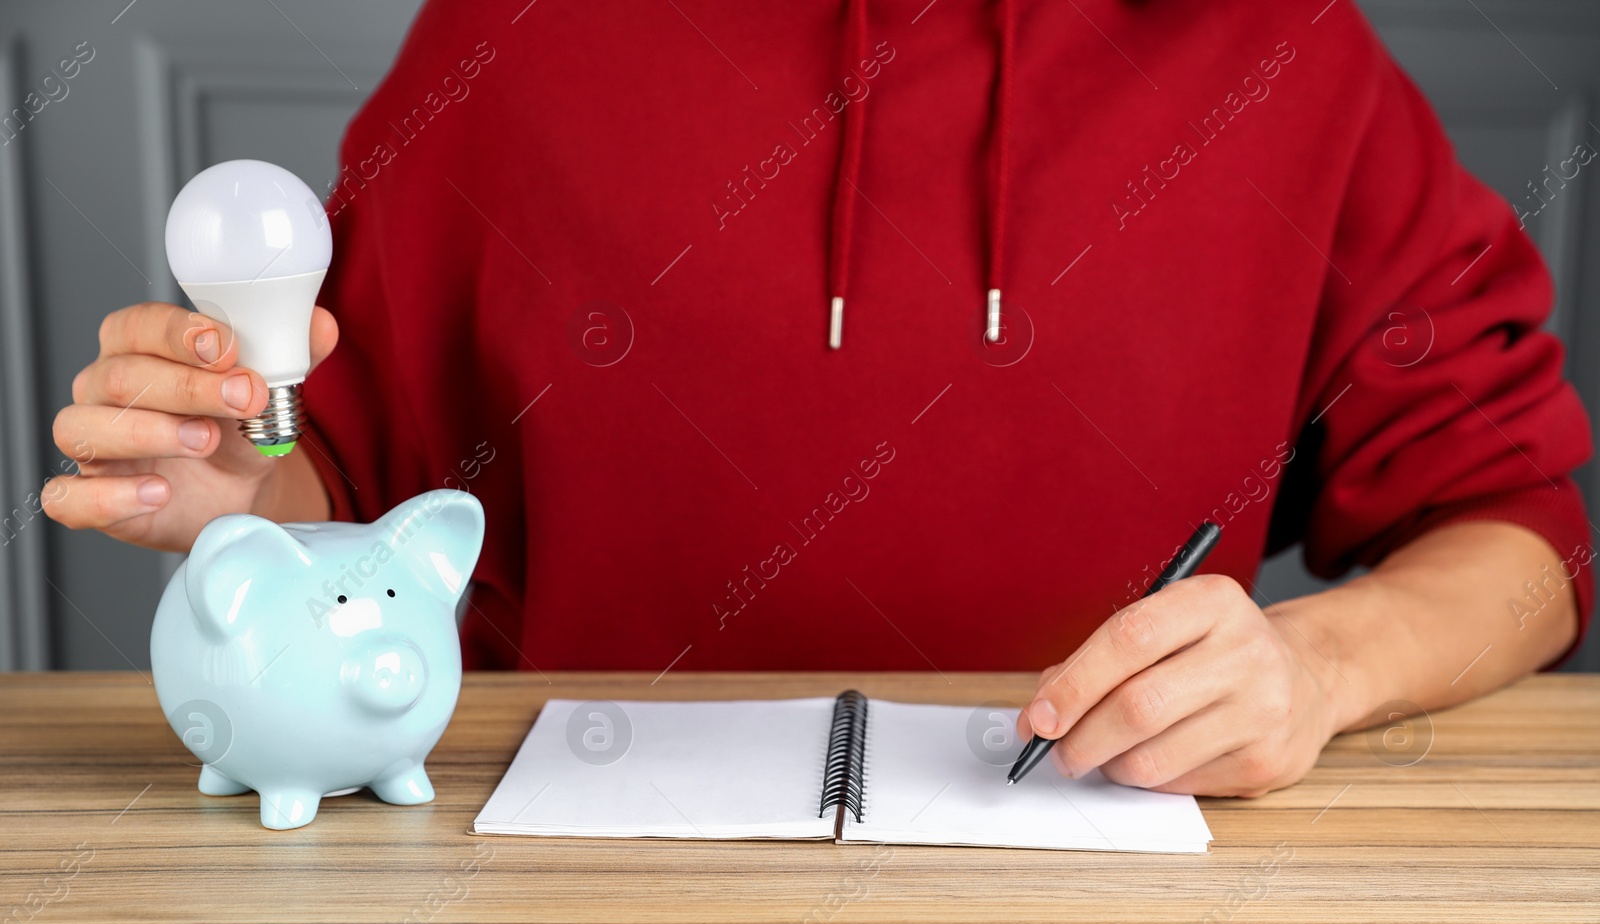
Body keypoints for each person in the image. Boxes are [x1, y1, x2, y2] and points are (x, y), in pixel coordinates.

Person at [45, 0, 1592, 797]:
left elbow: (1522, 545)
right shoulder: (516, 36)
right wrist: (237, 481)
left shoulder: (1282, 53)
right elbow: (342, 479)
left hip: (1133, 918)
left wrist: (1319, 667)